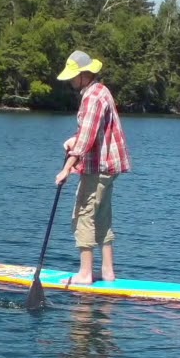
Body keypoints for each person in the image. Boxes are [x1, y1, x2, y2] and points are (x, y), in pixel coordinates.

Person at [54, 51, 131, 284]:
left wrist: (66, 169)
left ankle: (85, 274)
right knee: (101, 215)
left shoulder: (92, 98)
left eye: (73, 76)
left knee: (83, 214)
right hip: (107, 166)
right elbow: (92, 130)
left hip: (99, 166)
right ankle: (107, 272)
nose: (70, 81)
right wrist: (74, 139)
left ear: (84, 75)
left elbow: (87, 137)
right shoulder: (101, 91)